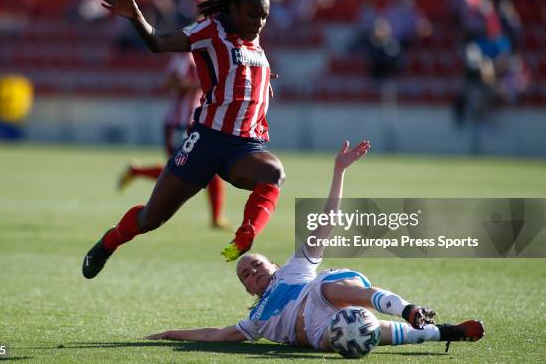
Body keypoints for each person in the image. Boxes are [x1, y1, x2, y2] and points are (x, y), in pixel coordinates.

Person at [146, 141, 485, 353]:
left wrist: (339, 170)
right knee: (355, 332)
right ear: (248, 291)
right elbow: (213, 335)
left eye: (256, 264)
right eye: (246, 275)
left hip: (330, 294)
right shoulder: (256, 320)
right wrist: (167, 334)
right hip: (324, 331)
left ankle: (408, 309)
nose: (252, 272)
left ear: (275, 265)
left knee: (325, 286)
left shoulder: (296, 268)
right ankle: (442, 332)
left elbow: (328, 220)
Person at [83, 0, 283, 280]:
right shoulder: (210, 31)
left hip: (244, 146)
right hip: (206, 140)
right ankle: (107, 243)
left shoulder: (253, 40)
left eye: (264, 16)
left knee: (273, 172)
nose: (259, 23)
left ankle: (245, 235)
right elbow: (159, 43)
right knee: (152, 218)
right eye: (252, 14)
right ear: (232, 9)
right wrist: (136, 16)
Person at [117, 52, 229, 229]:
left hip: (197, 123)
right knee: (176, 170)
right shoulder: (184, 56)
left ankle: (216, 218)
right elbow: (171, 82)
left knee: (209, 169)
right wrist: (202, 84)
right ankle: (136, 172)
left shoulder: (207, 54)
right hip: (179, 124)